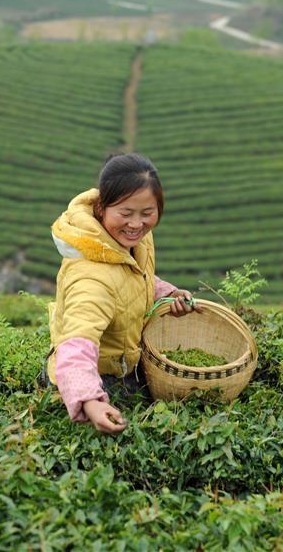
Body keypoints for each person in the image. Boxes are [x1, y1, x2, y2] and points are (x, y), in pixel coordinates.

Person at [44, 153, 199, 433]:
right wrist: (90, 401)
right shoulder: (91, 275)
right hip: (96, 377)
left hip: (124, 361)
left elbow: (134, 278)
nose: (136, 224)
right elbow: (76, 344)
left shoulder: (130, 241)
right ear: (102, 208)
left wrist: (167, 294)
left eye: (147, 213)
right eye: (125, 214)